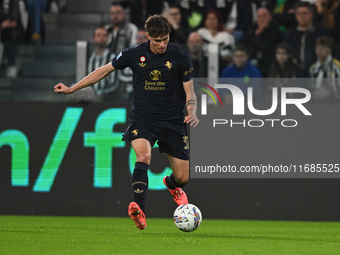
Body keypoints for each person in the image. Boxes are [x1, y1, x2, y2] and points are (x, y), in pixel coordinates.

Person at [53, 14, 199, 230]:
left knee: (183, 177)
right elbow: (104, 70)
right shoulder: (134, 54)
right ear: (147, 35)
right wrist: (73, 88)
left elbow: (189, 91)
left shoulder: (180, 56)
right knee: (143, 155)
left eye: (165, 39)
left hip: (173, 120)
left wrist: (192, 109)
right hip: (144, 118)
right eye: (157, 40)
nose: (161, 44)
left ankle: (171, 185)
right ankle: (139, 209)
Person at [284, 2, 329, 72]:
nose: (302, 16)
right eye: (299, 13)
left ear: (312, 14)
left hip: (317, 72)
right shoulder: (290, 34)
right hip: (295, 73)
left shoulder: (321, 32)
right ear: (295, 15)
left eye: (305, 13)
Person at [245, 7, 283, 77]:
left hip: (269, 62)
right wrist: (257, 34)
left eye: (264, 16)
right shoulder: (252, 30)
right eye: (259, 17)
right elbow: (247, 47)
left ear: (270, 17)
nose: (261, 19)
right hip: (253, 60)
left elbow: (268, 47)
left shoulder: (276, 31)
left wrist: (258, 36)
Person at [309, 36, 340, 102]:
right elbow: (311, 86)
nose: (319, 51)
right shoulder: (313, 68)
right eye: (317, 48)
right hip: (318, 102)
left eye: (322, 48)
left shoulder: (337, 67)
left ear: (329, 50)